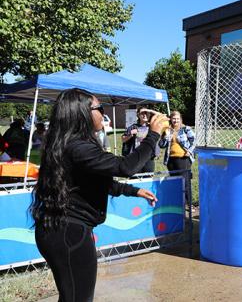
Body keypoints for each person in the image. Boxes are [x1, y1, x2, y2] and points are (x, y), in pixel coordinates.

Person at [30, 88, 167, 301]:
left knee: (72, 296)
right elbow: (126, 167)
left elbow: (96, 180)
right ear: (81, 113)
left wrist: (133, 191)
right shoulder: (77, 147)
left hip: (58, 230)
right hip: (68, 232)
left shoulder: (68, 144)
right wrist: (153, 135)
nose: (102, 114)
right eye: (99, 108)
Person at [159, 111, 195, 202]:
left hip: (183, 158)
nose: (175, 120)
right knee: (174, 181)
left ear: (180, 119)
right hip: (170, 159)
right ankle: (178, 203)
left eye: (177, 119)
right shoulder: (168, 130)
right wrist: (166, 136)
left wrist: (190, 151)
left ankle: (189, 204)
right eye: (174, 118)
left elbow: (194, 142)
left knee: (185, 181)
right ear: (170, 119)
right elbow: (161, 145)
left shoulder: (185, 129)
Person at [122, 107, 161, 172]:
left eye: (146, 113)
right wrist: (130, 134)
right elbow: (123, 139)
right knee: (135, 178)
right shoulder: (133, 127)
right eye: (142, 113)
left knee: (148, 177)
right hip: (136, 157)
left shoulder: (153, 126)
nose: (144, 115)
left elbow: (161, 117)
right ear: (138, 115)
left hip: (149, 157)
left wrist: (149, 110)